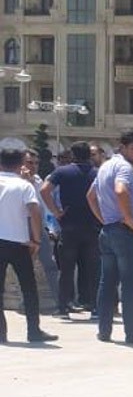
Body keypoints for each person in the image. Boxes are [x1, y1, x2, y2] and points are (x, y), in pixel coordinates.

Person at [88, 129, 133, 346]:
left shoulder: (105, 166)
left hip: (108, 231)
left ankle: (104, 330)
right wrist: (129, 220)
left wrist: (104, 219)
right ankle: (132, 332)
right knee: (129, 284)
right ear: (123, 147)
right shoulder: (124, 168)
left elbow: (90, 196)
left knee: (107, 282)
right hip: (124, 233)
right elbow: (120, 190)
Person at [0, 143, 56, 344]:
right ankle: (33, 330)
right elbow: (34, 211)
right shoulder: (24, 185)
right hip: (19, 243)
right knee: (29, 288)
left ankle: (1, 333)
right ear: (19, 164)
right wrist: (36, 239)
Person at [43, 140, 101, 317]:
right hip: (92, 227)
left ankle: (63, 307)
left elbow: (45, 190)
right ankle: (95, 307)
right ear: (88, 155)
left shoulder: (62, 171)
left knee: (66, 270)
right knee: (93, 270)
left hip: (68, 226)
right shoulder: (97, 173)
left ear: (73, 154)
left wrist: (56, 212)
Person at [19, 149, 62, 314]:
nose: (34, 166)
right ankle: (25, 304)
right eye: (30, 162)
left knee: (50, 265)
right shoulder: (15, 181)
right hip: (21, 230)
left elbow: (42, 208)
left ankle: (61, 302)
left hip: (39, 229)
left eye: (36, 163)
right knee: (24, 268)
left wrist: (49, 227)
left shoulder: (38, 181)